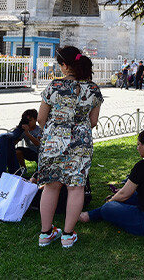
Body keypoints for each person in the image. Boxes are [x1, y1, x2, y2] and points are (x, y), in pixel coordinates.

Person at [37, 46, 102, 248]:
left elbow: (40, 118)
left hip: (53, 140)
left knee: (51, 185)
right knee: (76, 187)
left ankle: (45, 233)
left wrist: (54, 131)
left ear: (65, 65)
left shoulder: (54, 86)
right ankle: (67, 235)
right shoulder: (93, 89)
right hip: (80, 141)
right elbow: (93, 121)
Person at [79, 129, 144, 236]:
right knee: (128, 195)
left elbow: (124, 194)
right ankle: (92, 214)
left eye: (138, 144)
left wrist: (110, 201)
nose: (137, 148)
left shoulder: (142, 166)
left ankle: (89, 216)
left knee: (108, 208)